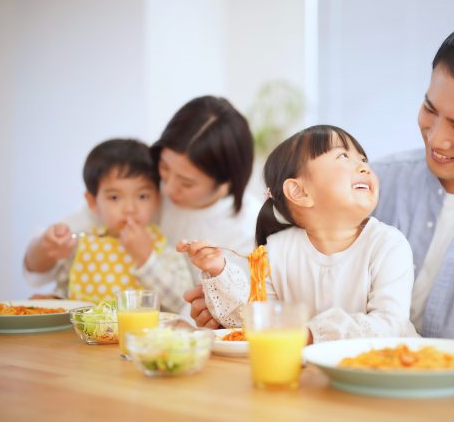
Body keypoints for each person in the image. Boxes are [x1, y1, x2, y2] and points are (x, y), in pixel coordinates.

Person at [184, 18, 454, 392]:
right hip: (350, 391)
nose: (436, 138)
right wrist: (229, 299)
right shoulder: (368, 183)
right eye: (430, 109)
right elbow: (270, 283)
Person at [23, 97, 261, 319]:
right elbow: (44, 259)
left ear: (226, 180)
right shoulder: (140, 190)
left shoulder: (249, 228)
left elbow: (238, 314)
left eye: (186, 182)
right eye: (164, 168)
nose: (168, 188)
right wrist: (49, 244)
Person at [178, 125, 418, 343]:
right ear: (299, 191)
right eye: (343, 156)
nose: (364, 165)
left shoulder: (388, 245)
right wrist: (219, 270)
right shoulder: (274, 253)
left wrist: (311, 334)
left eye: (363, 158)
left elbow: (389, 324)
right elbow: (255, 322)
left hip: (393, 372)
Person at [24, 138, 192, 312]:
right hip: (83, 338)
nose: (129, 209)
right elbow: (69, 289)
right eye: (114, 197)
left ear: (157, 198)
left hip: (139, 338)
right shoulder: (83, 243)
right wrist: (55, 299)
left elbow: (183, 305)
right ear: (93, 202)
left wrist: (146, 258)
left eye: (142, 196)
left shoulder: (163, 249)